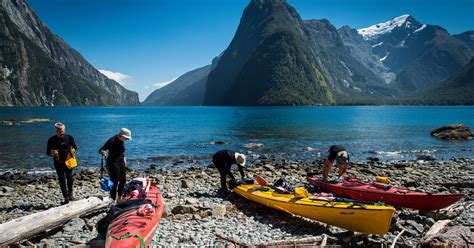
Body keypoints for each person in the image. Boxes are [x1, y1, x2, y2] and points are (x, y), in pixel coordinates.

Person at [46, 122, 77, 204]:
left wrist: (73, 150)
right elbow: (47, 152)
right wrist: (52, 153)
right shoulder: (51, 140)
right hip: (58, 162)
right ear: (56, 131)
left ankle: (70, 194)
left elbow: (75, 146)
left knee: (69, 178)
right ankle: (65, 197)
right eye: (59, 130)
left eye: (62, 130)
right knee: (61, 179)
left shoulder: (69, 137)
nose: (61, 132)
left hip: (68, 161)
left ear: (64, 130)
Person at [99, 128, 132, 201]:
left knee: (123, 180)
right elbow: (101, 149)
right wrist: (103, 152)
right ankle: (113, 199)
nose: (126, 140)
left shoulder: (122, 141)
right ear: (122, 136)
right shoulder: (112, 140)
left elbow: (121, 151)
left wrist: (124, 157)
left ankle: (119, 197)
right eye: (126, 138)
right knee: (115, 182)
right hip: (112, 162)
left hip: (121, 162)